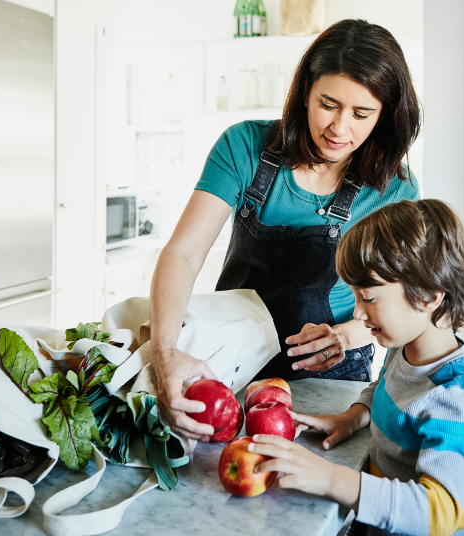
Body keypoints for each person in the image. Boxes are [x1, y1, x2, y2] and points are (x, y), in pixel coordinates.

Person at [149, 19, 421, 441]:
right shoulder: (243, 148)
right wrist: (165, 353)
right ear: (304, 93)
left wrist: (344, 337)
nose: (339, 128)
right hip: (232, 361)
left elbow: (397, 303)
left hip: (332, 376)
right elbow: (183, 253)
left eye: (362, 113)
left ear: (385, 116)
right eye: (328, 104)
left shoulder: (394, 187)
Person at [249, 199, 464, 536]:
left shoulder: (457, 398)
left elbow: (436, 513)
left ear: (428, 296)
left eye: (367, 297)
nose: (357, 313)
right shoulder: (404, 348)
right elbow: (386, 388)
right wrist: (353, 416)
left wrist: (330, 478)